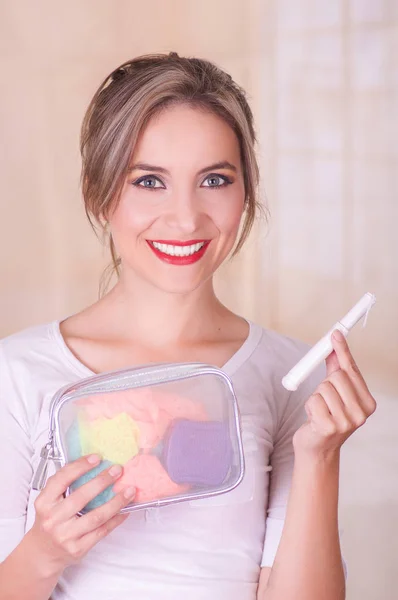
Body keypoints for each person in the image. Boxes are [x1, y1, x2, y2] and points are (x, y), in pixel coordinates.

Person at [0, 52, 376, 600]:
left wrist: (320, 458)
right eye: (150, 180)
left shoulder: (287, 376)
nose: (185, 218)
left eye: (215, 179)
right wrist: (46, 550)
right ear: (98, 193)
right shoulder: (17, 371)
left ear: (246, 194)